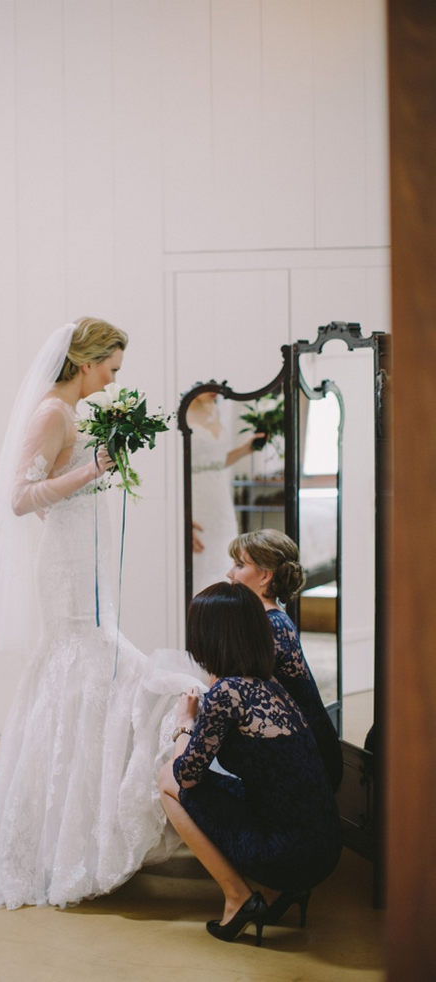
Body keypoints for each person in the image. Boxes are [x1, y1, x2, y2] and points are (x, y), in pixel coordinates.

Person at [0, 317, 205, 909]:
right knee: (85, 658)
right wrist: (94, 469)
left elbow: (55, 487)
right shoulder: (51, 413)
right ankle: (64, 841)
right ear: (86, 361)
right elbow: (19, 497)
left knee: (94, 661)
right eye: (111, 367)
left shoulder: (72, 411)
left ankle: (79, 829)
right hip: (65, 566)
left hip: (86, 553)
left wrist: (91, 477)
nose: (113, 379)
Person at [158, 582, 342, 946]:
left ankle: (237, 898)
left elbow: (187, 776)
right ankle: (280, 893)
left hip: (290, 854)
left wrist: (184, 723)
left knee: (168, 779)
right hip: (326, 844)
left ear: (208, 636)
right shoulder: (270, 683)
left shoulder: (228, 693)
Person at [226, 528, 343, 791]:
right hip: (298, 746)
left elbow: (229, 687)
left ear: (265, 576)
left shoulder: (271, 626)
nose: (229, 573)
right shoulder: (267, 620)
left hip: (312, 755)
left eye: (239, 564)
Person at [187, 392, 262, 593]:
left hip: (220, 500)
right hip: (195, 498)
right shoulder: (181, 410)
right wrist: (183, 516)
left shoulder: (215, 408)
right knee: (199, 563)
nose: (216, 392)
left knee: (225, 558)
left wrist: (246, 450)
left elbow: (217, 462)